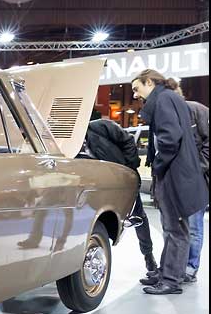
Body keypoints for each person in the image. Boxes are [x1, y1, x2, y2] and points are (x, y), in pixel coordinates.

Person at [132, 70, 208, 295]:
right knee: (175, 229)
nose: (135, 94)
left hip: (175, 176)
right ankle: (166, 274)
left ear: (149, 82)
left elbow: (169, 139)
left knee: (176, 230)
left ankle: (171, 281)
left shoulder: (164, 99)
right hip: (180, 175)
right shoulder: (171, 97)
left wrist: (157, 165)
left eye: (137, 88)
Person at [80, 111, 157, 273]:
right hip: (97, 188)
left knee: (139, 217)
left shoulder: (101, 127)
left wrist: (128, 169)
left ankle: (148, 256)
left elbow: (127, 142)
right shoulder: (68, 146)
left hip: (121, 180)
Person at [179, 91, 209, 282]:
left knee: (194, 226)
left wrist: (198, 168)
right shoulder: (165, 113)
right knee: (176, 227)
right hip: (175, 180)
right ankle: (177, 266)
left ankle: (191, 266)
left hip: (197, 180)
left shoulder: (197, 110)